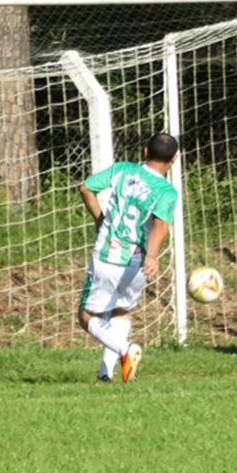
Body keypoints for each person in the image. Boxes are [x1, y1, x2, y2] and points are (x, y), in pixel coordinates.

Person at [77, 132, 179, 383]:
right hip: (136, 263)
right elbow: (160, 226)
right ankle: (105, 374)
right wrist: (152, 256)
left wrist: (100, 219)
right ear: (174, 160)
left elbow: (85, 188)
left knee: (87, 316)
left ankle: (125, 350)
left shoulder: (123, 170)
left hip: (107, 256)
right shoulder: (166, 191)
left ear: (145, 151)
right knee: (121, 311)